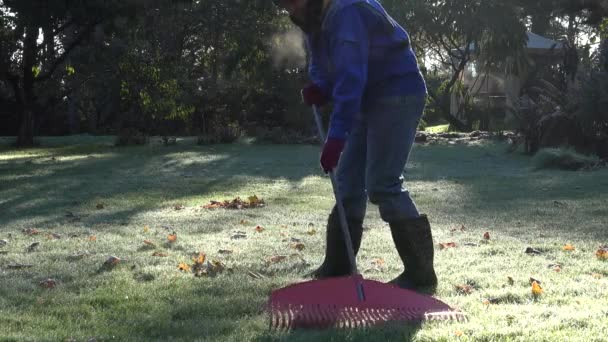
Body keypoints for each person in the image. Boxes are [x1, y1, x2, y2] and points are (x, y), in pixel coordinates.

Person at [273, 0, 437, 292]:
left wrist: (336, 137)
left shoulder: (346, 11)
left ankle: (420, 274)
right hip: (367, 97)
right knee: (348, 182)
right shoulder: (317, 17)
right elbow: (321, 61)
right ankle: (337, 268)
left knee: (383, 183)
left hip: (397, 92)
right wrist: (321, 86)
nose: (290, 10)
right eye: (285, 5)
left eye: (292, 2)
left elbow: (351, 78)